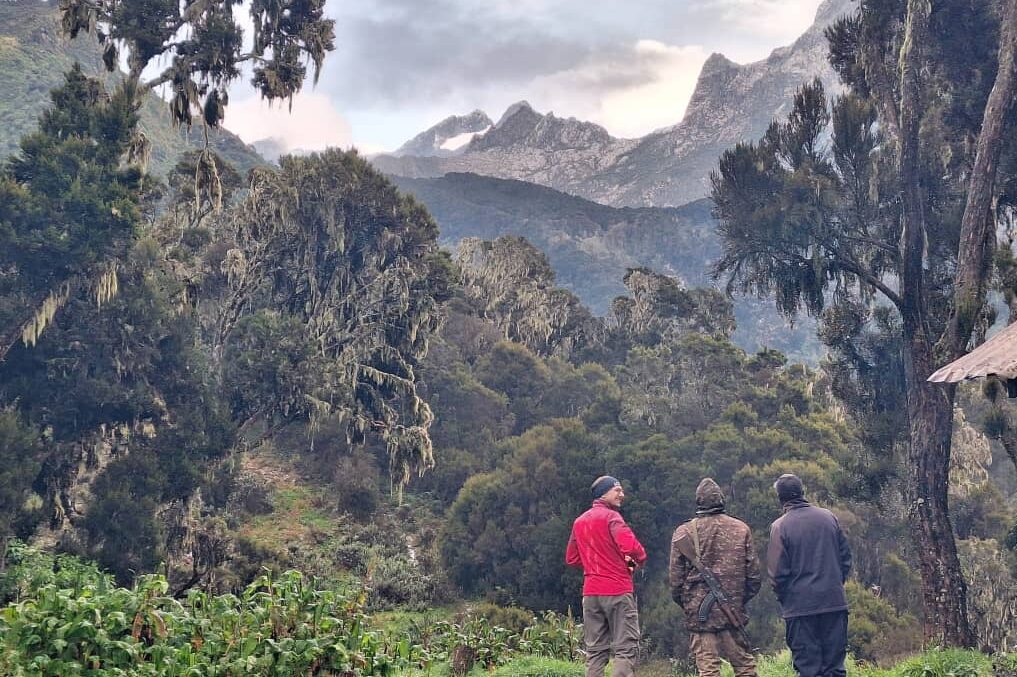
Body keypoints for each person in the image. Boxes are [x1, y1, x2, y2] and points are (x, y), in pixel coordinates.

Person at [669, 478, 760, 677]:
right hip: (732, 613)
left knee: (708, 671)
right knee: (745, 668)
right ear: (722, 500)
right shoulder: (741, 528)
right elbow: (754, 578)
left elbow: (675, 582)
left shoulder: (684, 532)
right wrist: (737, 600)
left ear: (698, 501)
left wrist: (690, 603)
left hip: (701, 619)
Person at [766, 474, 852, 677]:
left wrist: (786, 599)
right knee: (835, 668)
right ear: (803, 492)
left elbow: (777, 574)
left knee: (808, 669)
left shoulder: (780, 527)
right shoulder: (829, 517)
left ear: (780, 498)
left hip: (800, 609)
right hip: (834, 603)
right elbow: (846, 559)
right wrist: (834, 585)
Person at [566, 475, 647, 677]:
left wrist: (598, 565)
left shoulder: (579, 522)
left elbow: (572, 558)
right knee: (626, 647)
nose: (622, 494)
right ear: (605, 492)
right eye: (617, 490)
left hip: (591, 594)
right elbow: (631, 549)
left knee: (595, 651)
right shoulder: (612, 518)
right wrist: (631, 563)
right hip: (618, 591)